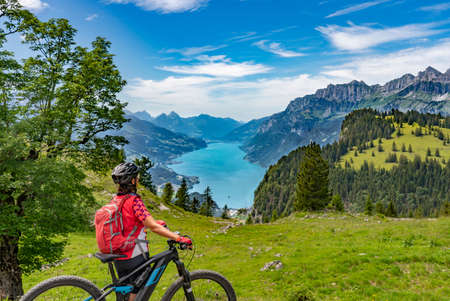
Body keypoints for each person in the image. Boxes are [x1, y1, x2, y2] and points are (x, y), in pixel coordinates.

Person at [110, 162, 192, 301]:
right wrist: (178, 238)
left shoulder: (116, 199)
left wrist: (154, 223)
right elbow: (153, 227)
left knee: (127, 292)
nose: (138, 179)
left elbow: (129, 223)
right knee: (139, 291)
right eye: (137, 177)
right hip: (133, 254)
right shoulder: (134, 201)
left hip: (118, 252)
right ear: (132, 180)